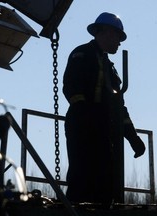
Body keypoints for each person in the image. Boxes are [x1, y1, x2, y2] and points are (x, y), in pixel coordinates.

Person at [63, 12, 145, 205]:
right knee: (80, 175)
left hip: (102, 130)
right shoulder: (82, 54)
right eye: (117, 36)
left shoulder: (110, 69)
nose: (119, 42)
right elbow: (72, 87)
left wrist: (133, 137)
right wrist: (85, 114)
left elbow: (119, 109)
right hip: (81, 126)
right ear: (105, 33)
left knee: (106, 181)